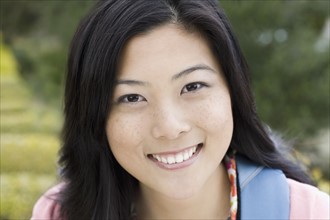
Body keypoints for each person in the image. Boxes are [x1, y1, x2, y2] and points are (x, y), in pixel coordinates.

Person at [31, 0, 329, 219]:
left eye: (192, 87)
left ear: (233, 92)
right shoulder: (58, 213)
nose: (170, 127)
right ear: (95, 116)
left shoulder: (305, 212)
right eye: (132, 97)